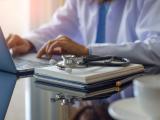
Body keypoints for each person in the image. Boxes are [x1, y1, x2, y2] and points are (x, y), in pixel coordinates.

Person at [7, 0, 160, 67]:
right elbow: (59, 27)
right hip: (92, 100)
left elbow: (155, 49)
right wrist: (29, 42)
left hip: (136, 103)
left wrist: (88, 52)